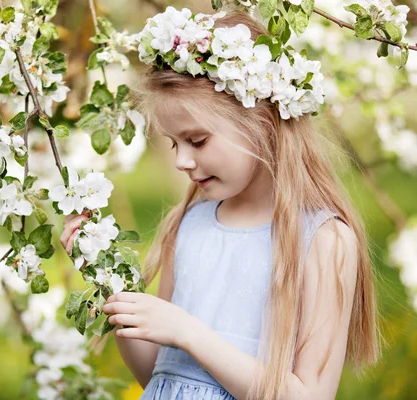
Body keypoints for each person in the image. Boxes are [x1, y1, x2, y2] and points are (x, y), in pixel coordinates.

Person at [60, 8, 381, 400]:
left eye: (197, 141)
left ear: (262, 121)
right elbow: (160, 379)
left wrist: (188, 331)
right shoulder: (188, 224)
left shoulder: (322, 240)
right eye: (174, 144)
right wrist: (111, 289)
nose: (181, 161)